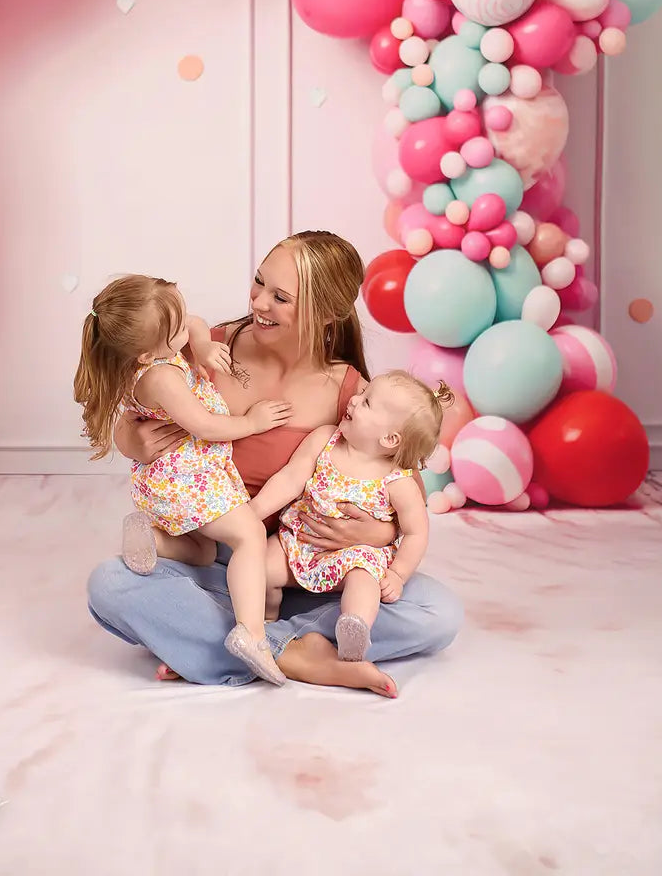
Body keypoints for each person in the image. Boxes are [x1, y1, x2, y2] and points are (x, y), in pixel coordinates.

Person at [86, 230, 463, 692]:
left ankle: (242, 642)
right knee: (109, 584)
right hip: (208, 557)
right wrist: (130, 440)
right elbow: (131, 402)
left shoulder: (352, 393)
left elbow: (402, 495)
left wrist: (377, 533)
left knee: (438, 612)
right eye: (259, 283)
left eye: (281, 297)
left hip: (306, 570)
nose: (259, 302)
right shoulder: (207, 350)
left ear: (326, 314)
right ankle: (295, 653)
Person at [74, 274, 290, 685]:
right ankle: (253, 634)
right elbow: (205, 426)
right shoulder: (160, 379)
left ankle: (155, 540)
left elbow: (193, 322)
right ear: (145, 354)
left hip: (167, 482)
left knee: (204, 553)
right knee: (248, 536)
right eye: (174, 329)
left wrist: (204, 346)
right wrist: (251, 420)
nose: (185, 325)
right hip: (187, 479)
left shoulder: (150, 348)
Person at [251, 371, 454, 698]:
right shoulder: (326, 439)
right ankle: (264, 621)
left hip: (355, 555)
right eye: (363, 393)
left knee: (364, 580)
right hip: (300, 541)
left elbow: (416, 532)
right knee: (260, 567)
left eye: (367, 401)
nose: (355, 400)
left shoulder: (397, 481)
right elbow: (291, 478)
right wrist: (253, 514)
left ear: (390, 439)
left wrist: (399, 574)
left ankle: (354, 627)